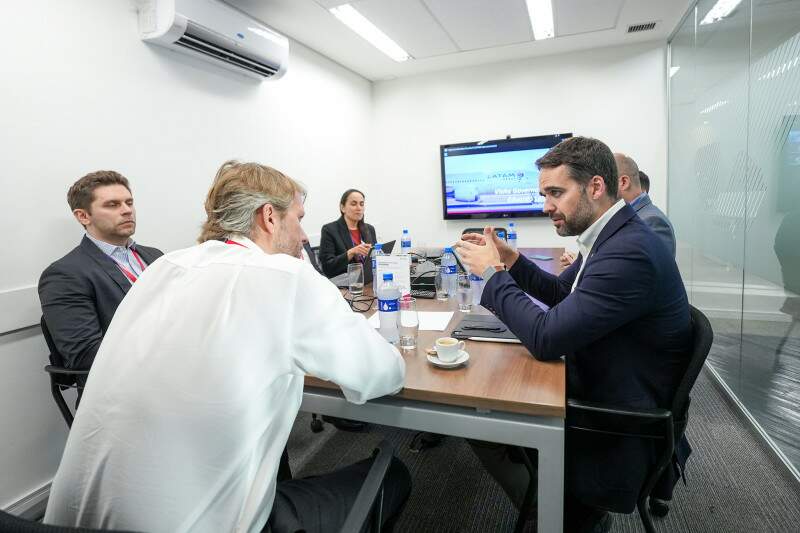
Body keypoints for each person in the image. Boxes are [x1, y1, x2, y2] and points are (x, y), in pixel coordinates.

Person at [44, 161, 410, 533]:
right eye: (298, 219)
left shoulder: (163, 267)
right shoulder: (285, 276)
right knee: (394, 475)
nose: (303, 236)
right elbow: (380, 375)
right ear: (269, 217)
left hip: (70, 520)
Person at [456, 137, 691, 533]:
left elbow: (545, 338)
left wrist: (493, 274)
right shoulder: (612, 235)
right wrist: (511, 259)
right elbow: (561, 292)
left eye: (556, 193)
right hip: (609, 377)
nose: (546, 206)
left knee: (478, 412)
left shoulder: (628, 251)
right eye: (544, 195)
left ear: (595, 187)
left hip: (615, 421)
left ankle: (555, 509)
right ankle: (554, 503)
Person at [38, 171, 163, 385]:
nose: (127, 210)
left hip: (174, 371)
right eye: (112, 205)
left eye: (129, 202)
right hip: (125, 385)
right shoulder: (65, 275)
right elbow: (86, 355)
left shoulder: (155, 256)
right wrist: (167, 349)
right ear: (83, 216)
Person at [560, 154, 675, 267]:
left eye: (603, 182)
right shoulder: (622, 216)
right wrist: (584, 263)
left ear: (623, 182)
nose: (598, 190)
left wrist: (586, 267)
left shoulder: (652, 221)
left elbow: (633, 271)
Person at [615, 154, 676, 257]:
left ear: (624, 182)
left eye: (607, 181)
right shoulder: (627, 216)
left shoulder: (653, 221)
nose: (601, 189)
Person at [319, 189, 376, 279]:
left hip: (369, 279)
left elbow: (375, 259)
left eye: (361, 204)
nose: (359, 208)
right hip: (345, 283)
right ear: (343, 208)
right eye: (353, 204)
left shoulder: (369, 229)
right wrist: (351, 252)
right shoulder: (329, 230)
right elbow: (327, 267)